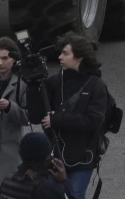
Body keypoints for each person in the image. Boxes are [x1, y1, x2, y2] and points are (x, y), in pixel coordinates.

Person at [39, 36, 107, 199]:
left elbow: (93, 121)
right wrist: (35, 87)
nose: (60, 57)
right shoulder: (56, 82)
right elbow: (36, 116)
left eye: (65, 53)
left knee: (75, 195)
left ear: (79, 57)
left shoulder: (96, 85)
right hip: (56, 154)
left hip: (82, 157)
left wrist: (57, 120)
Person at [0, 38, 30, 198]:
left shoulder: (22, 84)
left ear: (14, 59)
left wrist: (10, 107)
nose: (0, 63)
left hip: (10, 154)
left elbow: (28, 117)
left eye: (5, 58)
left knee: (7, 193)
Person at [0, 134, 73, 199]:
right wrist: (64, 181)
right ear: (45, 159)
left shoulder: (7, 183)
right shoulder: (46, 189)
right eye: (50, 156)